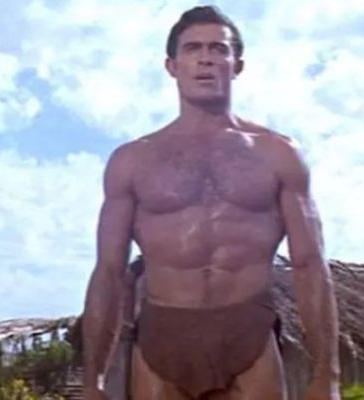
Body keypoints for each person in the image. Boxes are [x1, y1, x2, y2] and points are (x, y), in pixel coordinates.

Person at [82, 5, 340, 400]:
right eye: (193, 48)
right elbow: (109, 272)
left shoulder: (278, 154)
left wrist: (328, 376)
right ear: (172, 66)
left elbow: (309, 265)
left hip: (247, 333)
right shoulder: (132, 161)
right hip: (163, 335)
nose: (206, 58)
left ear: (237, 66)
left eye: (219, 49)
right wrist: (92, 381)